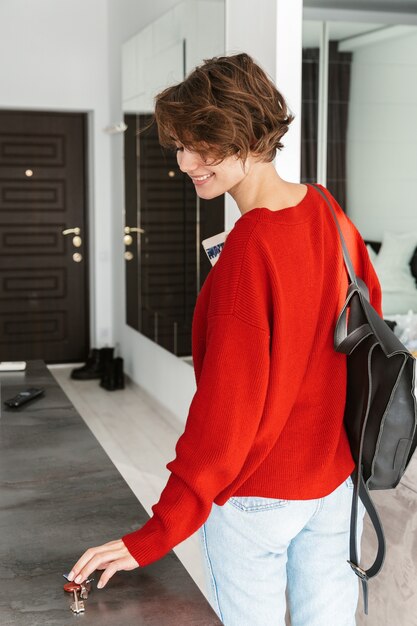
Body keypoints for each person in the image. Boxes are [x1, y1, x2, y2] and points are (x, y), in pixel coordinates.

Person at [67, 53, 382, 625]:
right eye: (180, 146)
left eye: (200, 144)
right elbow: (364, 344)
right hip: (335, 485)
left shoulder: (248, 249)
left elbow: (226, 411)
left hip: (259, 495)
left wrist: (157, 532)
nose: (185, 161)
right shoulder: (329, 213)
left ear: (242, 135)